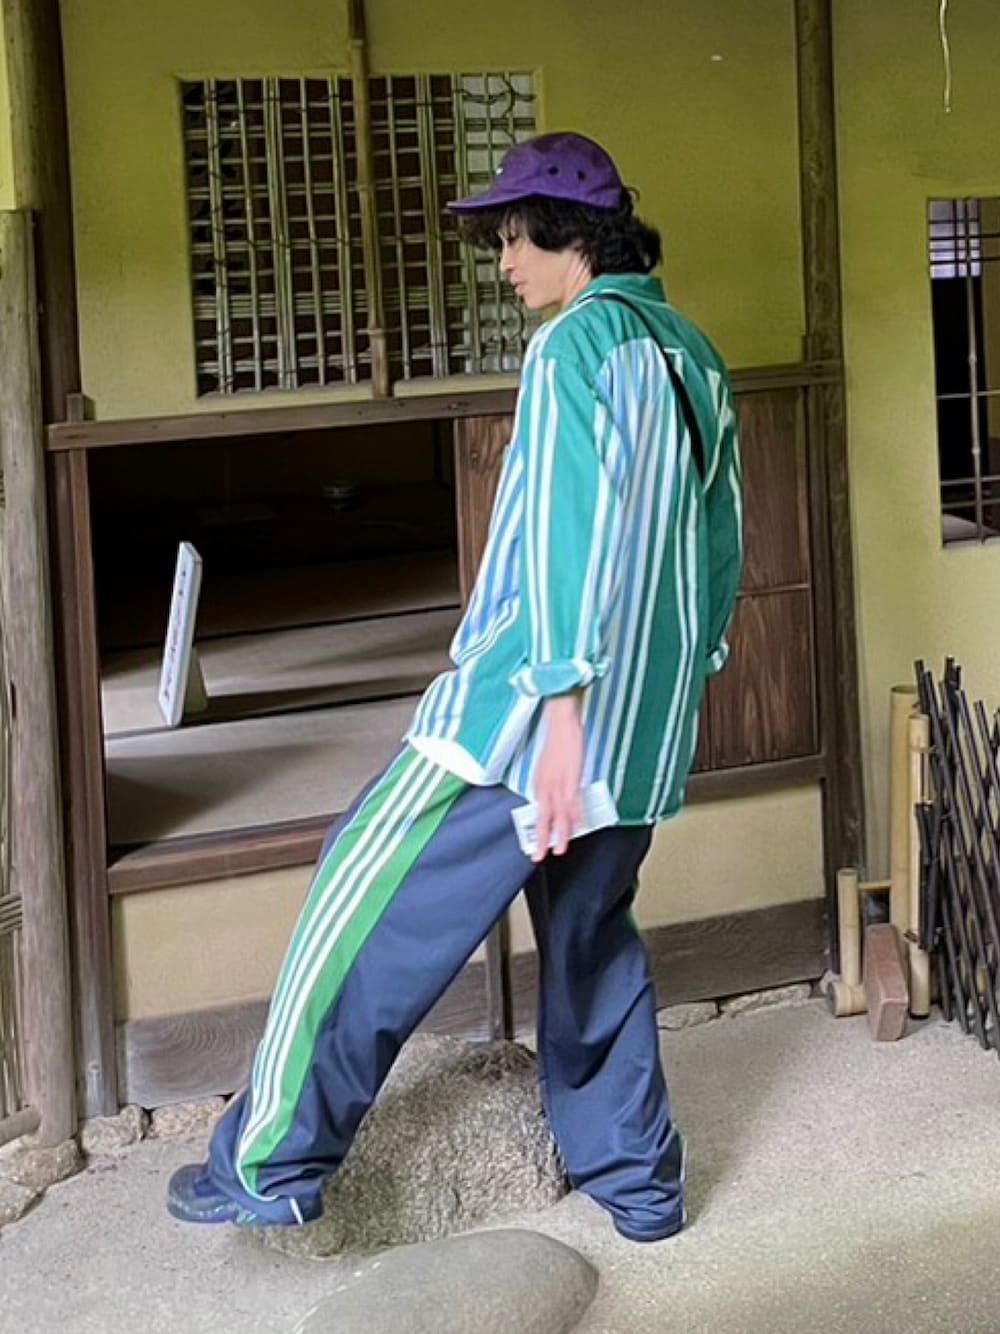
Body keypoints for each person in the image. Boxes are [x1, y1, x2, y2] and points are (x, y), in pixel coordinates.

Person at [167, 131, 742, 1244]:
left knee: (362, 894)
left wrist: (561, 710)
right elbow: (721, 547)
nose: (504, 262)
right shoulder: (693, 353)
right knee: (590, 940)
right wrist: (673, 683)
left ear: (574, 235)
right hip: (644, 726)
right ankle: (641, 1187)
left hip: (524, 720)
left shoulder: (573, 346)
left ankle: (272, 1160)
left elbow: (561, 533)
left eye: (516, 238)